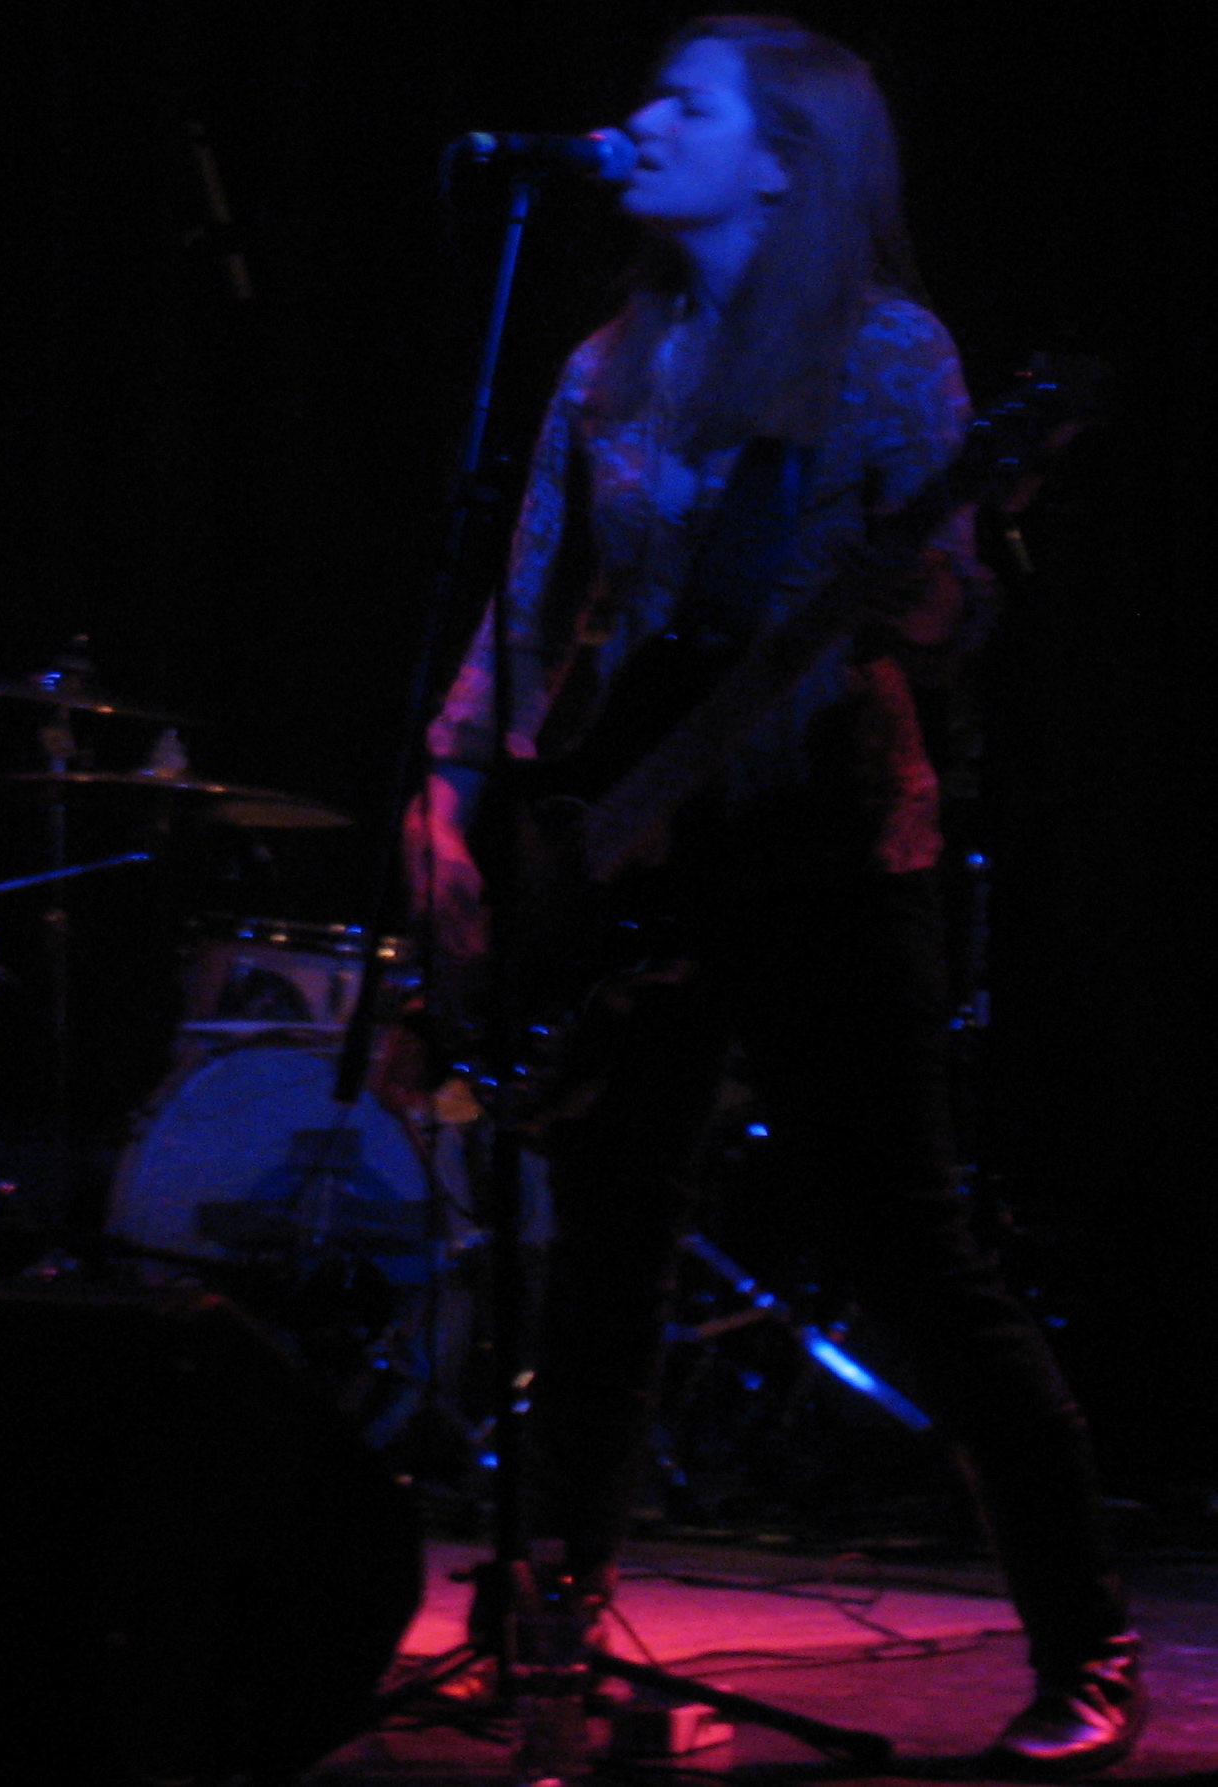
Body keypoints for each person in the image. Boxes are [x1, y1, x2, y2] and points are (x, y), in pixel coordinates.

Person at [406, 15, 1143, 1775]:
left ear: (783, 160)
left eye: (685, 102)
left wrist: (915, 592)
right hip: (640, 846)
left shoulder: (885, 352)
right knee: (600, 1255)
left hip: (825, 840)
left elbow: (952, 611)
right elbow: (533, 603)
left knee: (908, 1251)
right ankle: (554, 1611)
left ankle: (1085, 1640)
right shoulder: (608, 358)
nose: (639, 120)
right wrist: (446, 782)